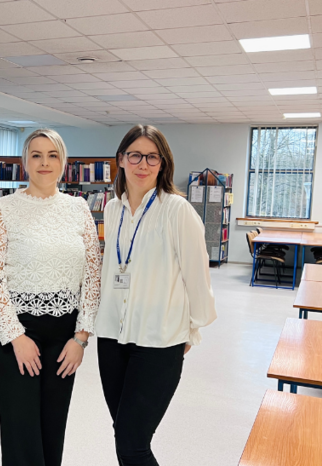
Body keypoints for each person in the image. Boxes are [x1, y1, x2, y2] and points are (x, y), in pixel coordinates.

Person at [95, 125, 217, 466]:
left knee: (134, 444)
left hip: (159, 341)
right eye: (135, 155)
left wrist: (192, 329)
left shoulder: (178, 211)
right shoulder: (112, 209)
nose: (142, 164)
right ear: (121, 160)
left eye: (152, 157)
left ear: (163, 164)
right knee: (123, 435)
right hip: (112, 338)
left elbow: (198, 277)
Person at [0, 128, 101, 466]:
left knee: (52, 429)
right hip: (16, 334)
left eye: (52, 155)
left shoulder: (79, 209)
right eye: (36, 155)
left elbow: (93, 277)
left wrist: (81, 338)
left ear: (63, 163)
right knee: (22, 436)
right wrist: (16, 337)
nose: (44, 162)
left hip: (66, 337)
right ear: (25, 162)